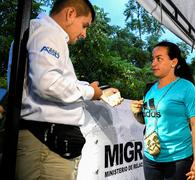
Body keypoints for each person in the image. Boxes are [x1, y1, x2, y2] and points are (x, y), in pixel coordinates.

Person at [15, 1, 119, 179]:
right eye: (84, 26)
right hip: (45, 147)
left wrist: (93, 90)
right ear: (70, 14)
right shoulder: (48, 33)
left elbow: (55, 80)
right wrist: (90, 92)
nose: (84, 34)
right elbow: (47, 83)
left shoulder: (46, 34)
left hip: (48, 145)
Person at [130, 41, 195, 180]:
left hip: (179, 159)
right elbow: (148, 120)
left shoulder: (186, 87)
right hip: (150, 157)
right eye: (153, 59)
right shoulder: (149, 90)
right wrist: (136, 112)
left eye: (159, 59)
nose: (153, 63)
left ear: (173, 62)